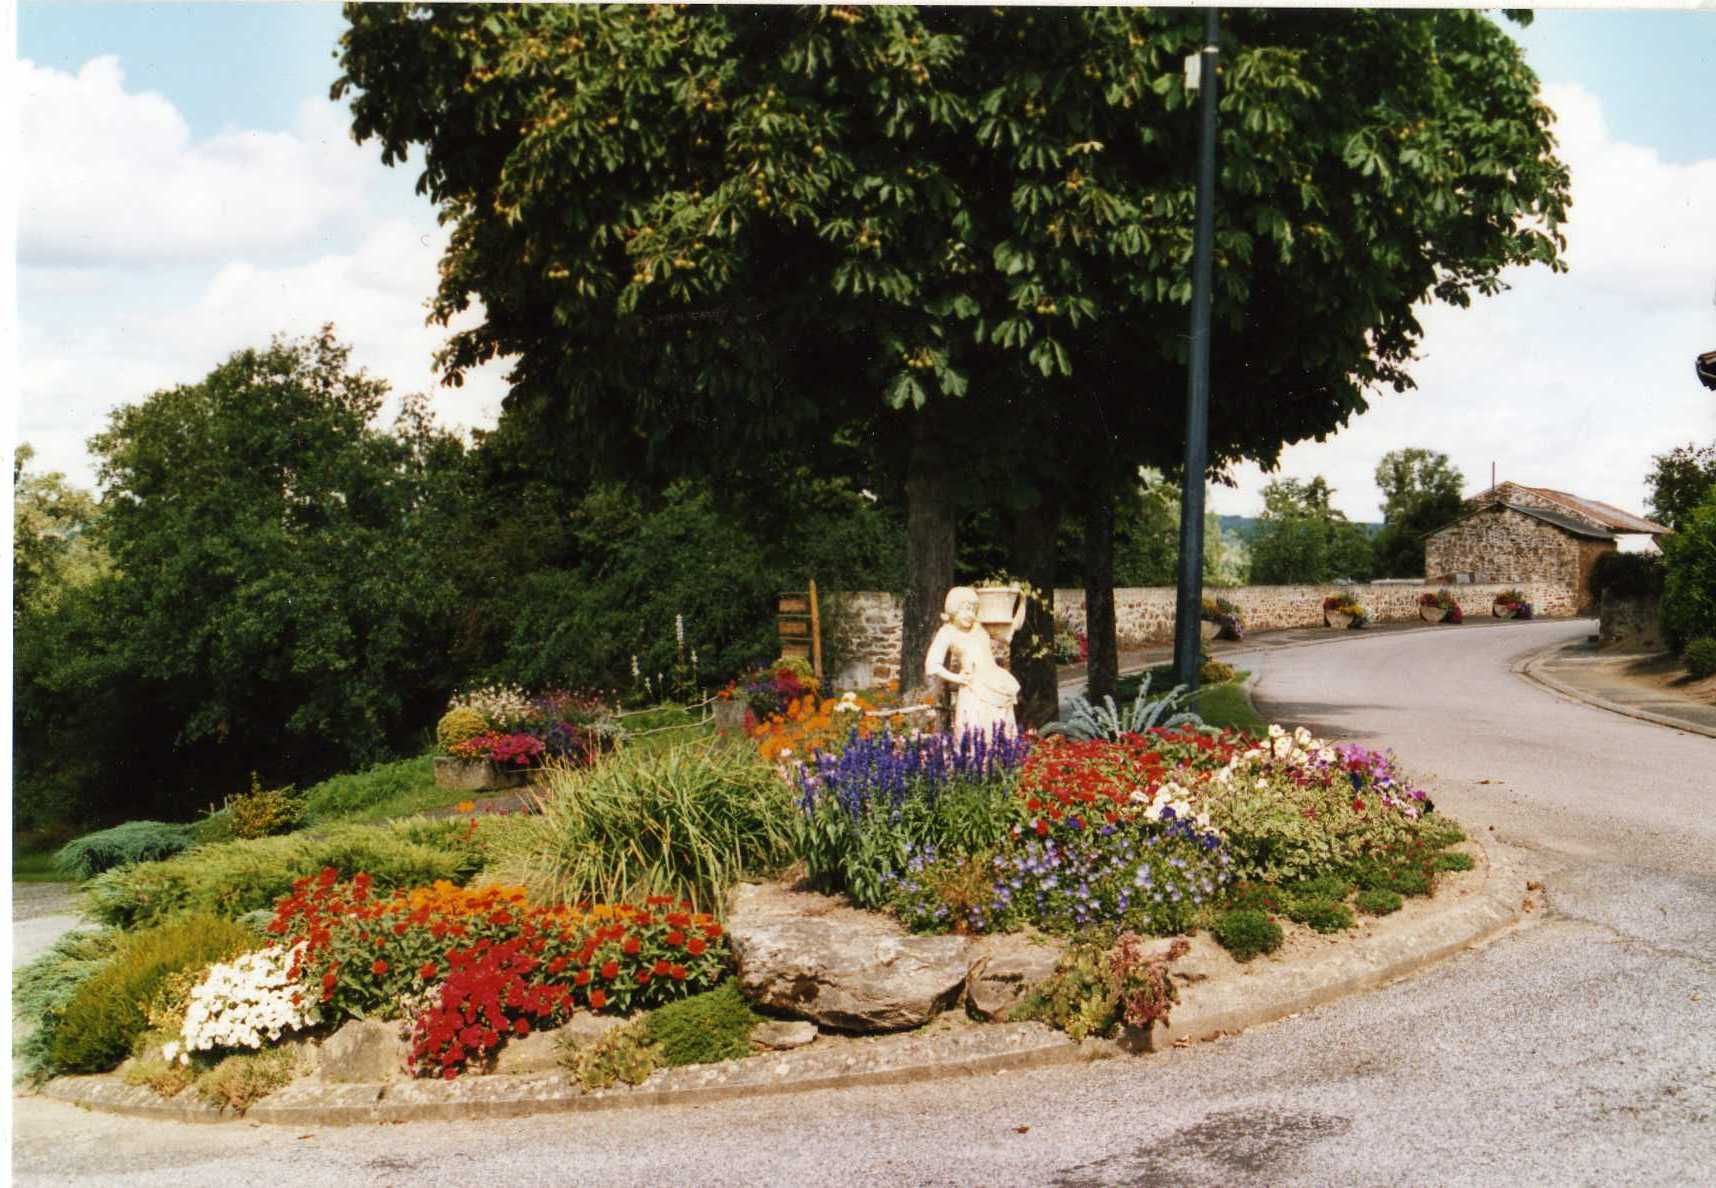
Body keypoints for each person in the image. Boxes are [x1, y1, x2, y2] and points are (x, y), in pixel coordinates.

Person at [924, 586, 1023, 740]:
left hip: (996, 684)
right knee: (973, 734)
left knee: (1000, 733)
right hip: (973, 688)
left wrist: (1022, 600)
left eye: (973, 609)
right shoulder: (947, 632)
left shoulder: (980, 627)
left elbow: (1012, 629)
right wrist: (957, 678)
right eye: (965, 609)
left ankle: (1002, 763)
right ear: (953, 608)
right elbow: (932, 664)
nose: (970, 614)